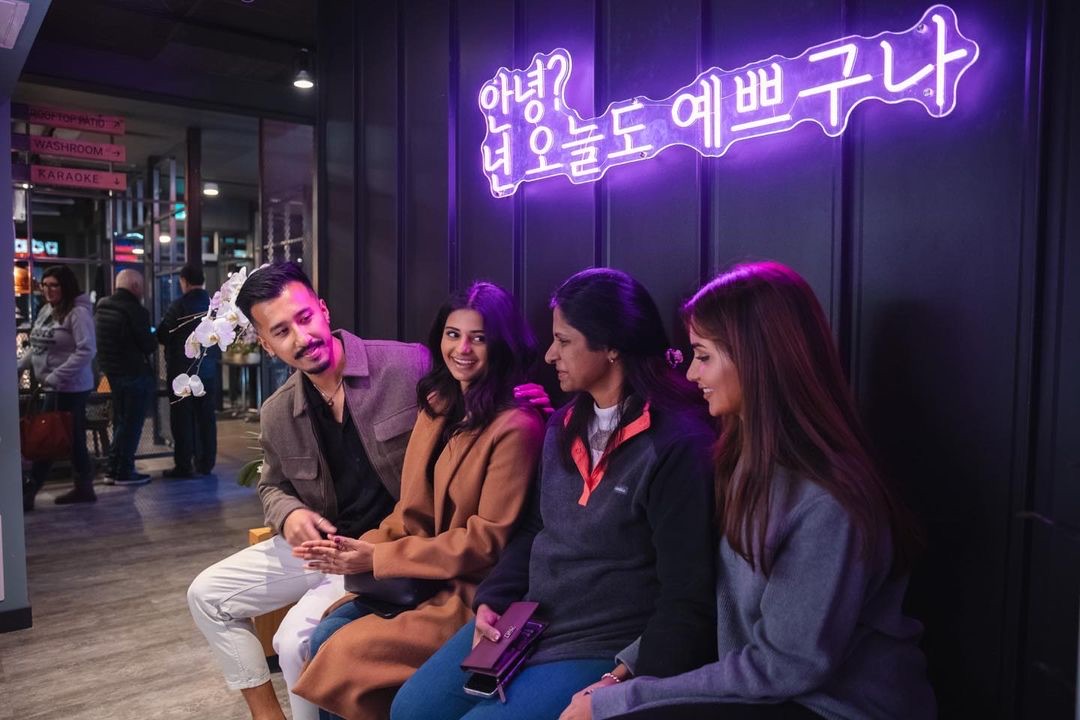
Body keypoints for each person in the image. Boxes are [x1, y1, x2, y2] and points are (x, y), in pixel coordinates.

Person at [572, 261, 934, 720]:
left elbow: (785, 666)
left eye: (703, 356)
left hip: (835, 707)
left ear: (756, 359)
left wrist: (625, 701)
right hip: (768, 691)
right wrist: (626, 672)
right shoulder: (740, 461)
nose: (691, 374)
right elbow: (709, 598)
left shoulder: (827, 499)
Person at [391, 268, 717, 720]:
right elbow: (535, 528)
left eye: (563, 341)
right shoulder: (561, 425)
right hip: (531, 621)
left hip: (606, 641)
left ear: (612, 346)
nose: (549, 354)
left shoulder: (676, 442)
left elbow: (687, 590)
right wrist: (493, 600)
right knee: (410, 709)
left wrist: (628, 674)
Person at [290, 281, 546, 720]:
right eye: (453, 334)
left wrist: (379, 558)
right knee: (324, 634)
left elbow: (485, 543)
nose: (462, 349)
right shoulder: (437, 403)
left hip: (467, 590)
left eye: (478, 338)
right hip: (417, 576)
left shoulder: (516, 425)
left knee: (344, 652)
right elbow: (410, 510)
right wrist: (356, 549)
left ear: (501, 344)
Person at [186, 261, 431, 720]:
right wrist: (289, 514)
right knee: (206, 596)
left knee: (292, 640)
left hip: (386, 547)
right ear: (266, 343)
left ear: (323, 309)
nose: (301, 338)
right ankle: (267, 715)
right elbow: (272, 485)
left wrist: (521, 401)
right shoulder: (279, 411)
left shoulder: (406, 365)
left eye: (305, 318)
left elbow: (476, 406)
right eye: (281, 331)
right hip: (321, 546)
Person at [19, 265, 97, 508]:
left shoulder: (78, 313)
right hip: (53, 386)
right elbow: (38, 344)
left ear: (66, 287)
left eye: (54, 285)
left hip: (70, 387)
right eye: (45, 285)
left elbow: (87, 350)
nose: (48, 290)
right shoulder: (46, 310)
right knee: (70, 438)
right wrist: (20, 365)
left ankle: (30, 491)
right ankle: (84, 487)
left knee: (49, 437)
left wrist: (55, 376)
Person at [94, 268, 156, 485]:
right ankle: (124, 471)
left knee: (120, 423)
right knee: (131, 425)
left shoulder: (101, 308)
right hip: (134, 373)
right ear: (135, 286)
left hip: (112, 373)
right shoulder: (136, 311)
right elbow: (148, 345)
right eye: (142, 286)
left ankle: (113, 468)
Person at [157, 263, 219, 478]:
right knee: (206, 418)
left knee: (182, 419)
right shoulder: (212, 307)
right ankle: (206, 463)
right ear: (202, 280)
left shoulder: (179, 306)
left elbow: (163, 334)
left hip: (182, 372)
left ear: (184, 281)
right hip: (207, 371)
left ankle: (184, 465)